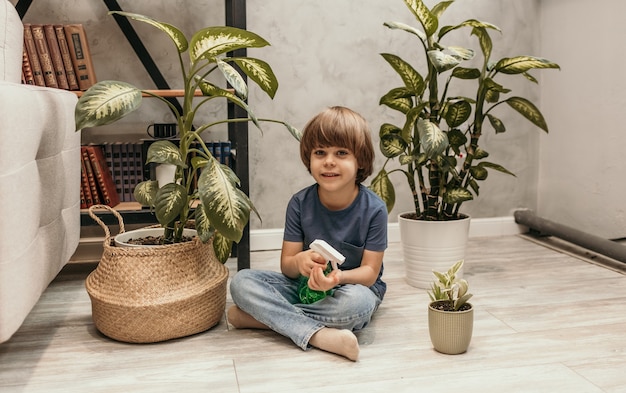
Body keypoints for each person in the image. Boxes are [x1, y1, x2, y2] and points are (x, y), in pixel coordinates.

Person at [227, 106, 388, 361]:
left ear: (361, 161)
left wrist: (336, 279)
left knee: (357, 307)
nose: (329, 161)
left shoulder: (375, 210)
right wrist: (299, 261)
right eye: (320, 152)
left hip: (348, 288)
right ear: (309, 158)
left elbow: (369, 274)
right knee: (241, 282)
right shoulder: (300, 203)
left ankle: (261, 319)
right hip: (304, 287)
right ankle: (320, 335)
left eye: (342, 153)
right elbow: (287, 268)